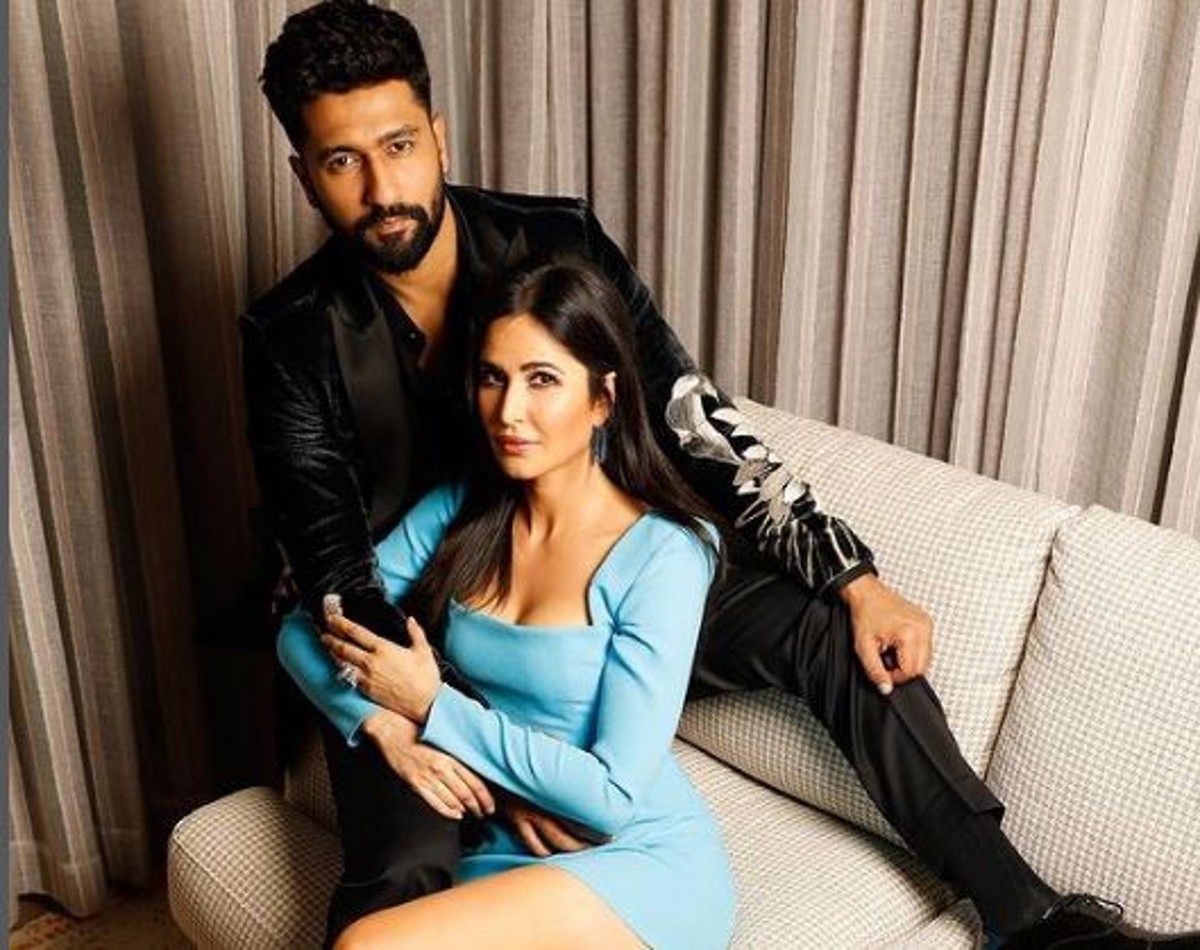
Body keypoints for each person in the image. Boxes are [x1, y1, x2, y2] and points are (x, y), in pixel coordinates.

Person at [243, 2, 1198, 947]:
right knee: (399, 878)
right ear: (304, 175)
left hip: (601, 586)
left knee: (833, 632)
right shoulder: (290, 339)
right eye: (342, 161)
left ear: (439, 135)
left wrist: (850, 573)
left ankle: (1027, 916)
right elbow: (339, 582)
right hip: (427, 626)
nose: (383, 188)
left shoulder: (554, 243)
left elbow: (691, 417)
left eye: (400, 145)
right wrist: (449, 727)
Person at [279, 261, 735, 949]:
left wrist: (431, 706)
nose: (508, 411)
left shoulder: (665, 555)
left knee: (364, 945)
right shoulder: (461, 512)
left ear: (603, 399)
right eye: (493, 378)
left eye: (542, 379)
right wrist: (381, 724)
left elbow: (610, 796)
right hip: (499, 841)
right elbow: (301, 627)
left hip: (632, 862)